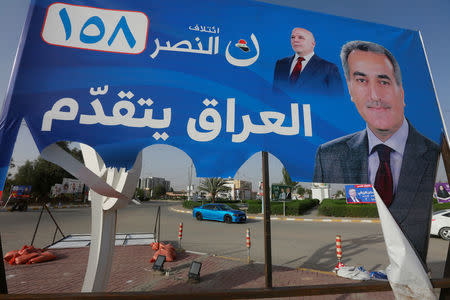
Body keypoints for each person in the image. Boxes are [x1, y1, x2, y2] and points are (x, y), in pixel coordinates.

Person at [313, 40, 440, 265]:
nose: (374, 95)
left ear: (401, 91)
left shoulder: (436, 155)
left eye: (383, 81)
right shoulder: (329, 156)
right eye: (361, 81)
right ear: (351, 91)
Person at [273, 27, 343, 96]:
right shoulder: (281, 64)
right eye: (293, 37)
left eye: (300, 37)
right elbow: (275, 93)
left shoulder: (329, 68)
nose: (295, 40)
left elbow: (337, 99)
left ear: (313, 44)